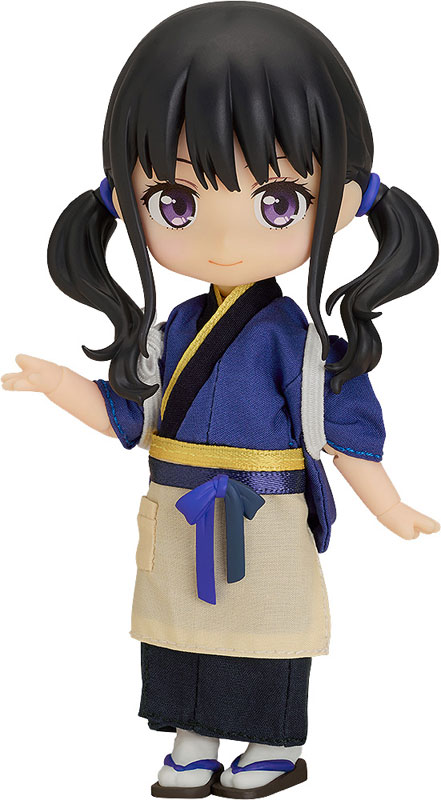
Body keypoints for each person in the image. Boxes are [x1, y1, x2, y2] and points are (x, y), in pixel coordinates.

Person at [2, 4, 439, 797]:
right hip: (175, 506)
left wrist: (388, 503)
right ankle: (192, 738)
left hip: (261, 512)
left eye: (278, 202)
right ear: (125, 200)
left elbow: (342, 432)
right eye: (176, 202)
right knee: (177, 630)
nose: (224, 238)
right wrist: (61, 386)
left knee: (266, 625)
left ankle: (270, 745)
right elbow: (129, 417)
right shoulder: (173, 328)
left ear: (342, 203)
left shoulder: (294, 340)